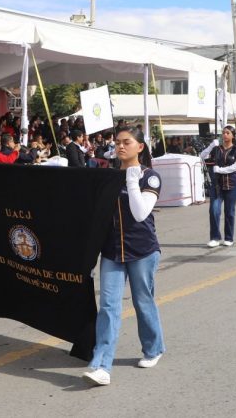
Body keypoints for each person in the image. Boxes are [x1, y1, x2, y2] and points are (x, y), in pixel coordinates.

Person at [83, 126, 165, 386]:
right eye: (117, 142)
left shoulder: (150, 177)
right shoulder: (107, 177)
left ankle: (154, 348)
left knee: (143, 301)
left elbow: (140, 213)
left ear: (140, 147)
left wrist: (130, 177)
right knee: (108, 306)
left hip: (142, 250)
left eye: (126, 142)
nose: (120, 146)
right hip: (111, 252)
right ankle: (101, 365)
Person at [200, 125, 236, 247]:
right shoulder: (216, 148)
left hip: (232, 185)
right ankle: (215, 237)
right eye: (223, 133)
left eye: (227, 133)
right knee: (214, 210)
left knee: (229, 212)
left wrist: (219, 170)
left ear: (232, 135)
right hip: (217, 185)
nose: (224, 135)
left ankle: (229, 237)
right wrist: (210, 146)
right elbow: (201, 157)